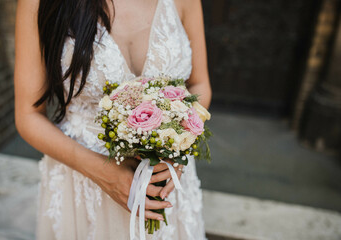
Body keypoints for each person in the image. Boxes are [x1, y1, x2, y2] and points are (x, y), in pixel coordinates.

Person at [14, 0, 212, 239]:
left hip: (167, 182)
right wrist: (104, 174)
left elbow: (199, 85)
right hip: (84, 184)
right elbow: (28, 115)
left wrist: (176, 145)